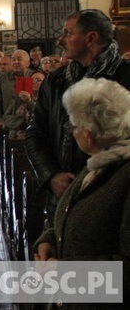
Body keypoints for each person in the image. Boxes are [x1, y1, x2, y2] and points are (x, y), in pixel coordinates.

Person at [24, 9, 130, 223]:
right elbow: (35, 132)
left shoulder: (125, 77)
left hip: (116, 196)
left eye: (67, 33)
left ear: (91, 38)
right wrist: (51, 175)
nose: (61, 40)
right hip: (63, 194)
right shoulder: (55, 81)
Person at [33, 77, 130, 302]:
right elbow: (73, 214)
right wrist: (48, 240)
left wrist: (64, 273)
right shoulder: (98, 163)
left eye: (74, 126)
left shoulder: (123, 175)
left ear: (88, 133)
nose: (72, 132)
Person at [0, 50, 32, 136]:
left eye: (19, 59)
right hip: (9, 126)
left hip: (31, 125)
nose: (16, 62)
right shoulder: (2, 79)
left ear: (28, 63)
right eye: (13, 59)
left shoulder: (34, 76)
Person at [2, 71, 46, 140]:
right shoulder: (18, 99)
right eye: (32, 80)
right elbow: (6, 119)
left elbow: (39, 120)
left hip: (36, 138)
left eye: (38, 80)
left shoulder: (46, 100)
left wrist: (29, 102)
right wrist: (24, 121)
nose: (34, 82)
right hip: (15, 139)